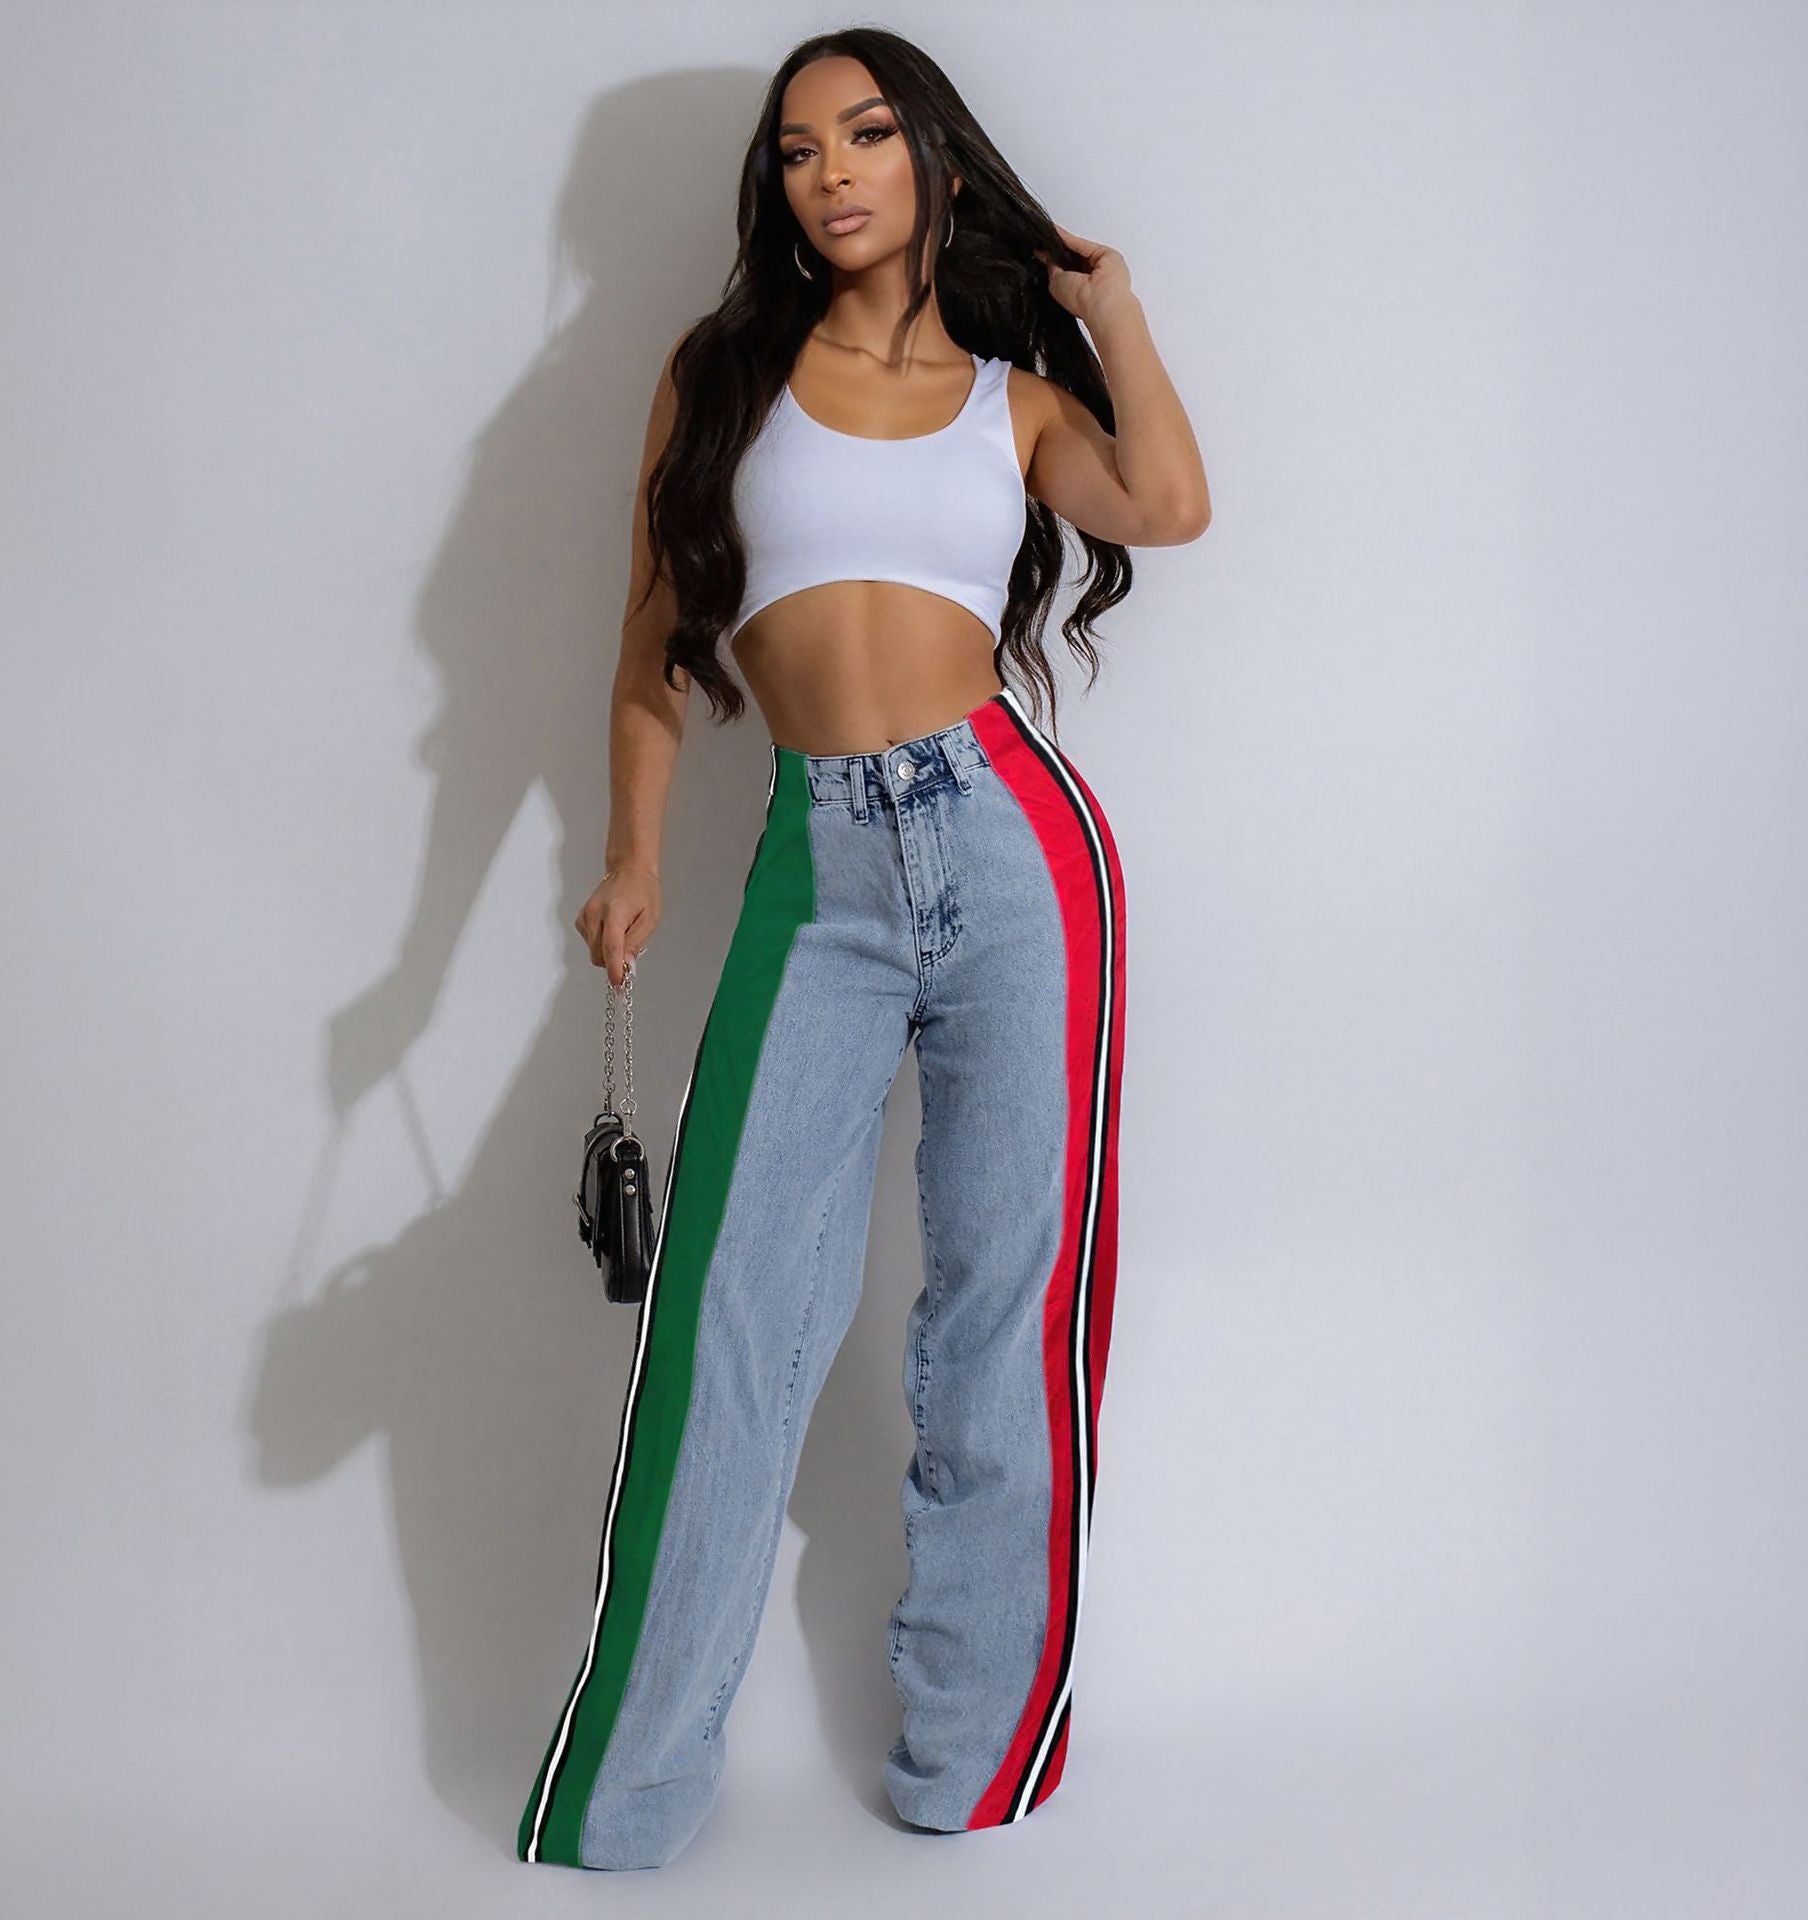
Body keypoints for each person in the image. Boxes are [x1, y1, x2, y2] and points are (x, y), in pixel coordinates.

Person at [520, 25, 1209, 1871]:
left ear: (935, 164)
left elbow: (1168, 505)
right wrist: (633, 857)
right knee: (725, 1315)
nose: (832, 171)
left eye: (870, 134)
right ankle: (629, 1798)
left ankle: (974, 1763)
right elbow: (655, 641)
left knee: (1006, 1307)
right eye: (800, 146)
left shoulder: (1013, 398)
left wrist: (1114, 310)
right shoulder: (722, 379)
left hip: (1016, 848)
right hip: (812, 869)